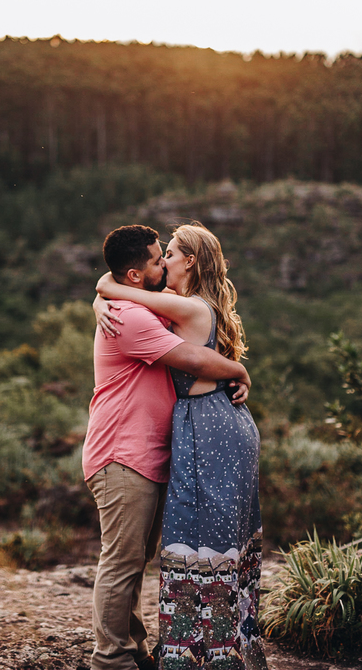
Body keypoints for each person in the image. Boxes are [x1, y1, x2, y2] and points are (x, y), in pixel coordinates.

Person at [94, 222, 266, 670]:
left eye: (168, 254)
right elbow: (189, 358)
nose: (163, 261)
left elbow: (121, 289)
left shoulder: (174, 308)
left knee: (186, 548)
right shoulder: (131, 314)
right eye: (157, 257)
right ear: (136, 275)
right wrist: (101, 294)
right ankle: (115, 660)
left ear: (189, 261)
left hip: (202, 431)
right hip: (127, 451)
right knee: (133, 558)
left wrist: (103, 289)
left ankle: (201, 652)